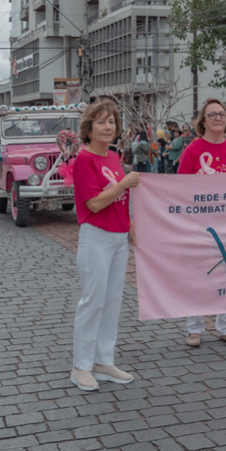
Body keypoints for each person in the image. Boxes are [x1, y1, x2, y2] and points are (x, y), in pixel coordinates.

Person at [70, 99, 140, 391]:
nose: (108, 127)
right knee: (93, 301)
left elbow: (120, 202)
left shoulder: (112, 157)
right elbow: (94, 203)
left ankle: (103, 360)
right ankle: (80, 366)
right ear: (89, 127)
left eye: (111, 121)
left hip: (118, 238)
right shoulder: (84, 159)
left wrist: (130, 224)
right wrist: (123, 184)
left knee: (112, 302)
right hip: (96, 236)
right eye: (101, 122)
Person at [178, 98, 226, 348]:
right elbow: (179, 188)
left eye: (222, 114)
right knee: (198, 276)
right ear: (203, 121)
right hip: (200, 225)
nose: (218, 118)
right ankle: (194, 328)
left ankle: (225, 328)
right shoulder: (193, 150)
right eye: (212, 114)